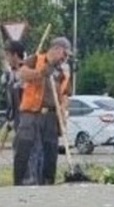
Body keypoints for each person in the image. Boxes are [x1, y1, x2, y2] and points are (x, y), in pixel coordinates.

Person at [13, 37, 72, 186]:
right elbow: (22, 74)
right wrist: (41, 73)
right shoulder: (35, 59)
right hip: (31, 113)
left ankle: (47, 183)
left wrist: (63, 114)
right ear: (56, 49)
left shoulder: (61, 72)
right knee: (24, 148)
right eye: (64, 54)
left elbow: (65, 94)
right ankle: (20, 181)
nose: (65, 58)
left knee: (50, 152)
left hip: (51, 116)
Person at [0, 40, 28, 184]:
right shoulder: (11, 75)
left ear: (15, 55)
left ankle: (29, 180)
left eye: (8, 55)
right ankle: (20, 180)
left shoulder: (26, 72)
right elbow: (11, 99)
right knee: (18, 151)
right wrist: (9, 117)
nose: (7, 59)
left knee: (26, 151)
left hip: (28, 119)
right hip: (17, 119)